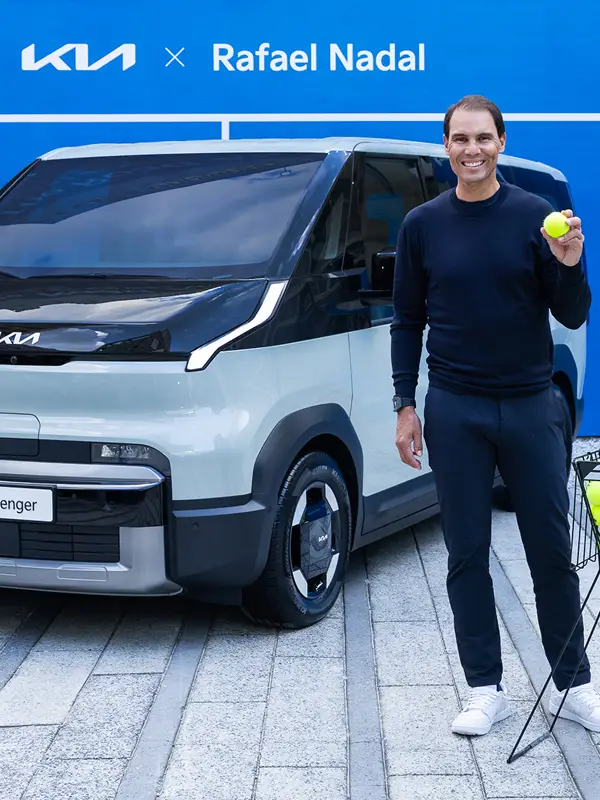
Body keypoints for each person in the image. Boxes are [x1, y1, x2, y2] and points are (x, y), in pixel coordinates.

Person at [391, 94, 600, 736]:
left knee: (549, 551)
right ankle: (485, 688)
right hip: (455, 408)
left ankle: (573, 686)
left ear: (501, 142)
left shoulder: (537, 218)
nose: (472, 150)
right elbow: (407, 321)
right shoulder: (422, 225)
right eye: (460, 139)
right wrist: (405, 403)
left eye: (483, 138)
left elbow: (572, 312)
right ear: (446, 146)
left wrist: (570, 264)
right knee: (466, 553)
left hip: (533, 405)